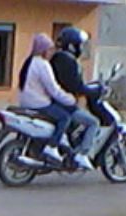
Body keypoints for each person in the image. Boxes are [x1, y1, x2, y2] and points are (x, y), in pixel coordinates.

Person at [17, 33, 76, 164]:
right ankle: (52, 147)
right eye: (50, 49)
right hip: (39, 104)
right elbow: (54, 90)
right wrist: (70, 100)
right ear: (43, 50)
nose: (51, 52)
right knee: (65, 117)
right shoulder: (43, 65)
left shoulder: (29, 61)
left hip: (25, 102)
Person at [51, 27, 101, 170]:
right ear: (73, 45)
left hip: (56, 101)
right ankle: (82, 154)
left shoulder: (57, 58)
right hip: (64, 104)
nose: (81, 48)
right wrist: (93, 91)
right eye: (79, 45)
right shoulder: (69, 61)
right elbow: (76, 87)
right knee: (93, 122)